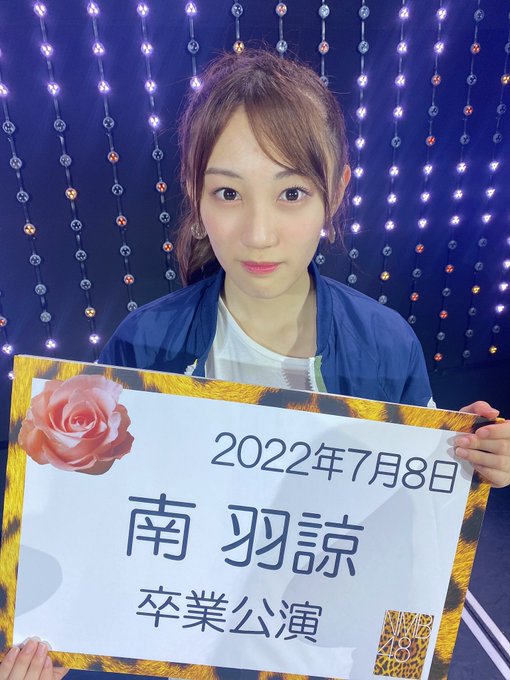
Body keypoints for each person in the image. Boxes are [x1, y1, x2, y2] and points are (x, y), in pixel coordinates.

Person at [1, 47, 509, 680]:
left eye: (291, 192)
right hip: (190, 631)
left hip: (323, 644)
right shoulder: (146, 342)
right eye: (228, 193)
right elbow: (85, 520)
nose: (259, 232)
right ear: (196, 196)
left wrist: (475, 458)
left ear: (336, 191)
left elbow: (413, 529)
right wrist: (48, 641)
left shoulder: (386, 344)